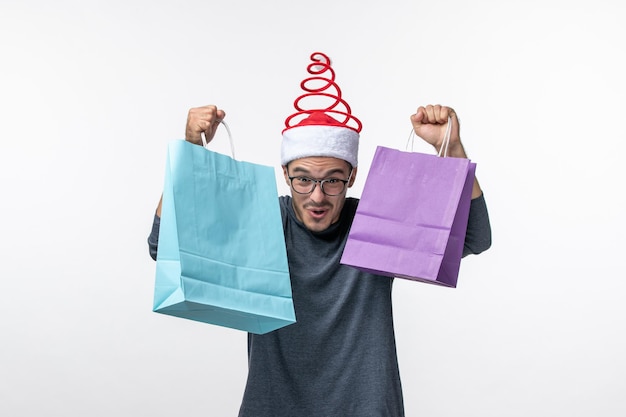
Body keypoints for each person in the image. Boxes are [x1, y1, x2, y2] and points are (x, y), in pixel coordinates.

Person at [148, 53, 491, 417]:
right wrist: (191, 150)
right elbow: (163, 245)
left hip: (367, 407)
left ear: (352, 177)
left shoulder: (375, 221)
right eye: (304, 179)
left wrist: (452, 149)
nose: (317, 195)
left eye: (332, 180)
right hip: (272, 407)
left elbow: (474, 237)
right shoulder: (262, 219)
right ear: (285, 173)